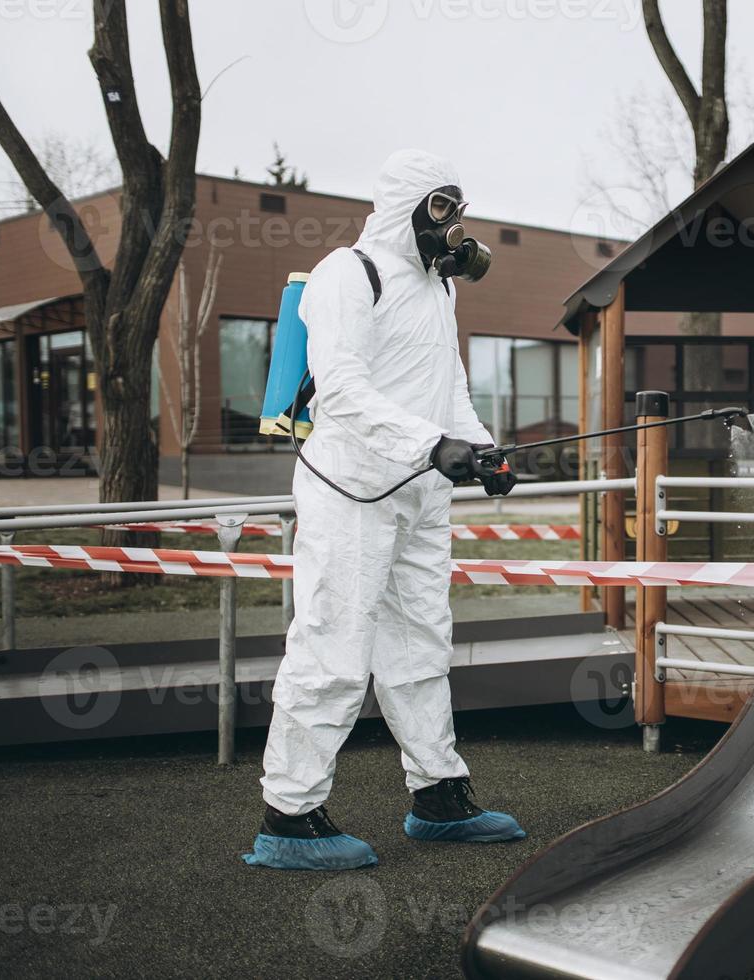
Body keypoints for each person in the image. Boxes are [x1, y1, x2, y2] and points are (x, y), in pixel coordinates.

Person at [244, 150, 524, 871]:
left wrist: (482, 450)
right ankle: (291, 813)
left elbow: (450, 387)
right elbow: (339, 390)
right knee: (333, 647)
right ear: (406, 205)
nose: (454, 223)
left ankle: (437, 794)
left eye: (458, 208)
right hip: (352, 492)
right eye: (441, 206)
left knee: (422, 644)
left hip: (420, 494)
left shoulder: (439, 291)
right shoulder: (349, 273)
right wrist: (432, 445)